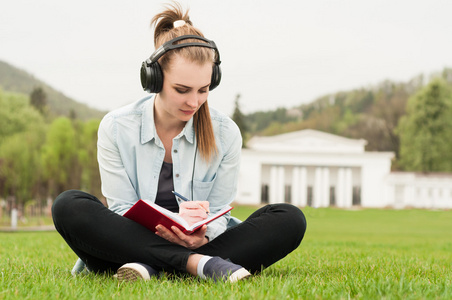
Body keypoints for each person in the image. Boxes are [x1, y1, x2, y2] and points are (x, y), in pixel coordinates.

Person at [52, 2, 307, 283]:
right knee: (69, 205)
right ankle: (199, 266)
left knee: (289, 218)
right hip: (132, 240)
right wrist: (176, 245)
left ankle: (151, 266)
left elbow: (220, 210)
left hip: (187, 246)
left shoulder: (226, 134)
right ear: (154, 78)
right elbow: (121, 208)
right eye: (182, 90)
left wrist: (203, 237)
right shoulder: (115, 127)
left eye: (204, 90)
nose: (194, 102)